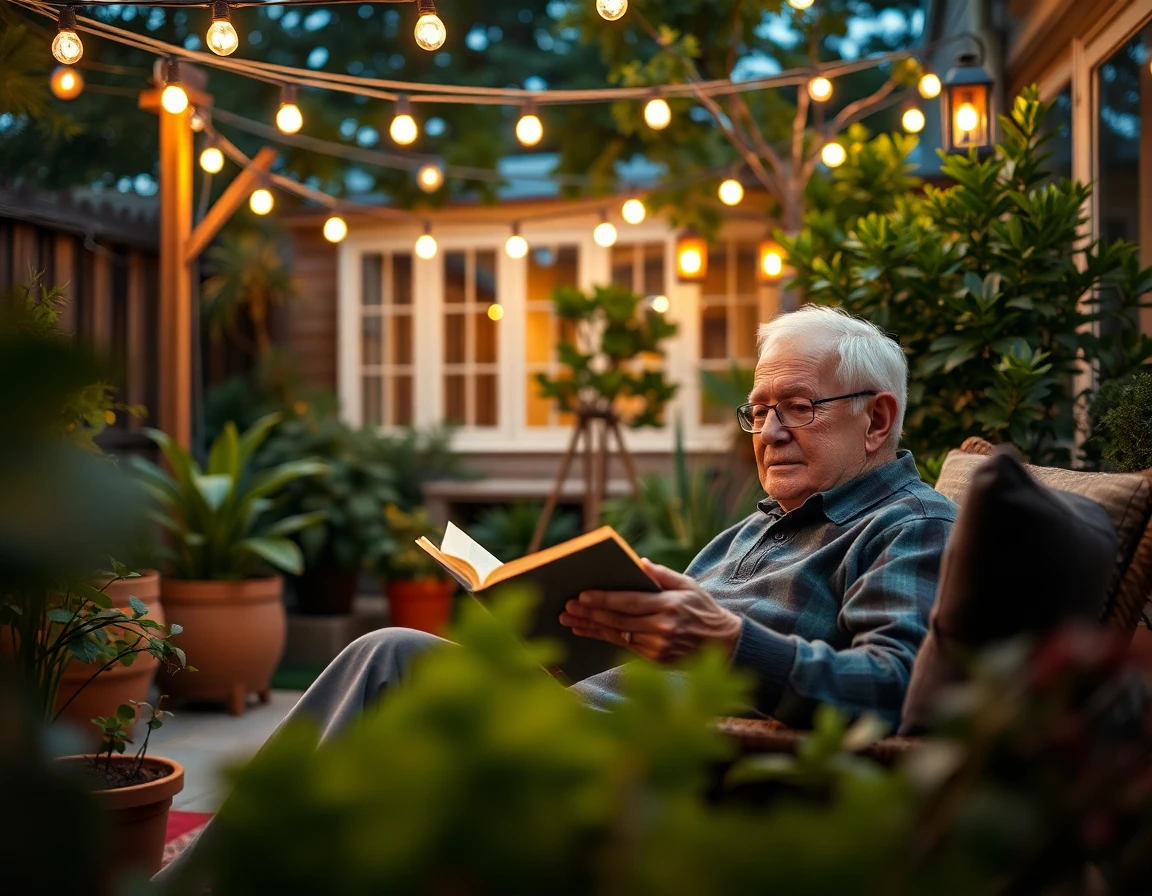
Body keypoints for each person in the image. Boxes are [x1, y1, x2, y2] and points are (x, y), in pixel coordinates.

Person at [154, 305, 955, 884]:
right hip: (584, 714)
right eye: (759, 409)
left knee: (388, 655)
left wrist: (727, 644)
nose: (770, 431)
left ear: (877, 420)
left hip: (661, 764)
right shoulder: (754, 530)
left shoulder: (909, 524)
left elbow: (891, 690)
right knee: (400, 682)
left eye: (799, 408)